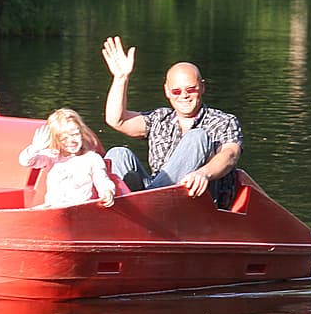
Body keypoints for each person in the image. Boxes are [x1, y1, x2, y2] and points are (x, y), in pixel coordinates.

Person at [101, 35, 243, 209]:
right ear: (167, 92)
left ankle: (144, 200)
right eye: (176, 91)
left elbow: (230, 156)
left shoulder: (224, 121)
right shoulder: (159, 119)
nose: (184, 96)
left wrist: (204, 173)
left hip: (199, 202)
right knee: (118, 154)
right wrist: (121, 78)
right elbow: (117, 120)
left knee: (197, 137)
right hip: (158, 201)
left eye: (191, 89)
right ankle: (126, 205)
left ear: (202, 87)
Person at [19, 108, 116, 209]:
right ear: (56, 140)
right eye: (64, 138)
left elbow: (102, 180)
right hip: (54, 208)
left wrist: (107, 191)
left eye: (75, 134)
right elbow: (25, 161)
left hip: (80, 208)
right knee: (31, 213)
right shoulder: (52, 157)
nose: (71, 141)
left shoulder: (92, 158)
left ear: (82, 133)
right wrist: (35, 148)